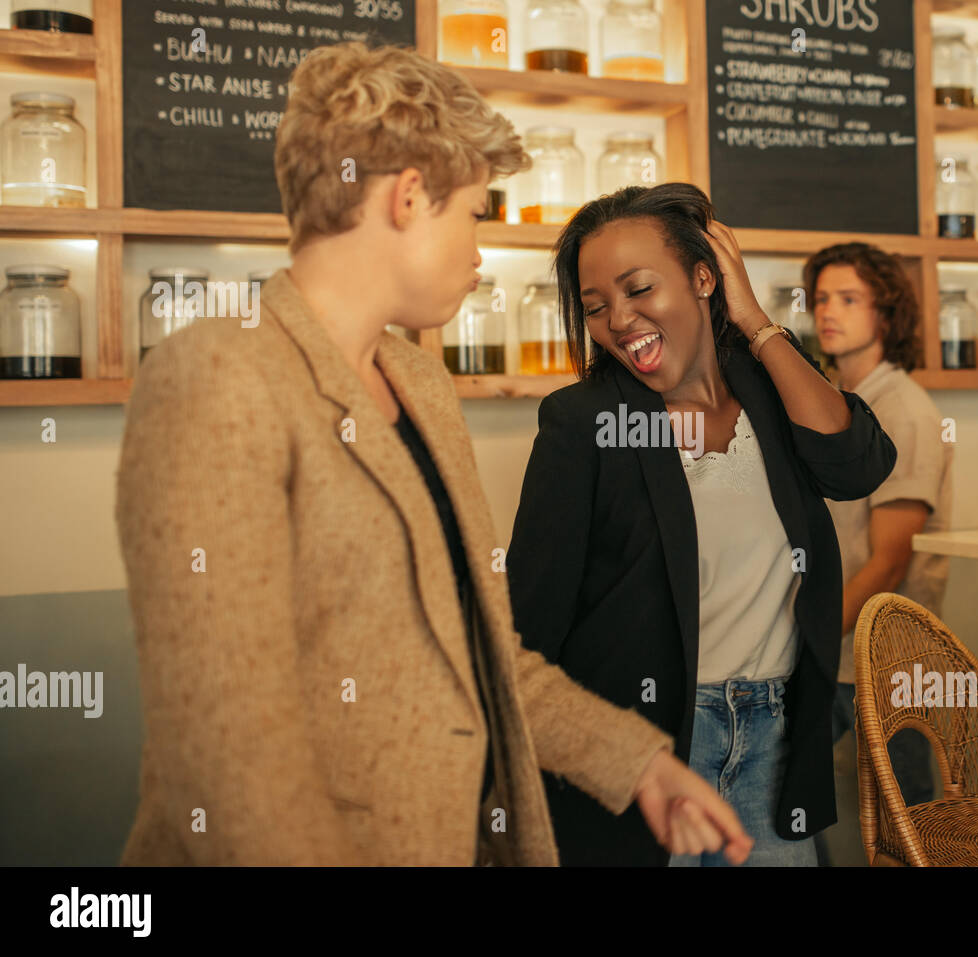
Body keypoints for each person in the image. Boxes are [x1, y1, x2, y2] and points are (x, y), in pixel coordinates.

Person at [114, 42, 752, 866]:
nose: (480, 250)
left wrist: (641, 766)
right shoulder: (214, 378)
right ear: (410, 196)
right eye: (476, 214)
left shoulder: (420, 381)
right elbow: (230, 750)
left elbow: (482, 653)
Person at [506, 183, 898, 866]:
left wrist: (756, 322)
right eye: (595, 307)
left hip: (775, 742)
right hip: (650, 752)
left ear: (704, 277)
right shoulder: (581, 422)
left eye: (638, 289)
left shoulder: (771, 391)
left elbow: (858, 464)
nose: (620, 320)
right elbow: (529, 626)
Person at [805, 242, 955, 866]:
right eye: (820, 299)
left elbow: (888, 562)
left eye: (848, 299)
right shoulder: (832, 399)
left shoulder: (906, 411)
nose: (828, 313)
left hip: (886, 657)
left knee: (909, 823)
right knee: (786, 796)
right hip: (837, 650)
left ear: (886, 316)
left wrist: (804, 637)